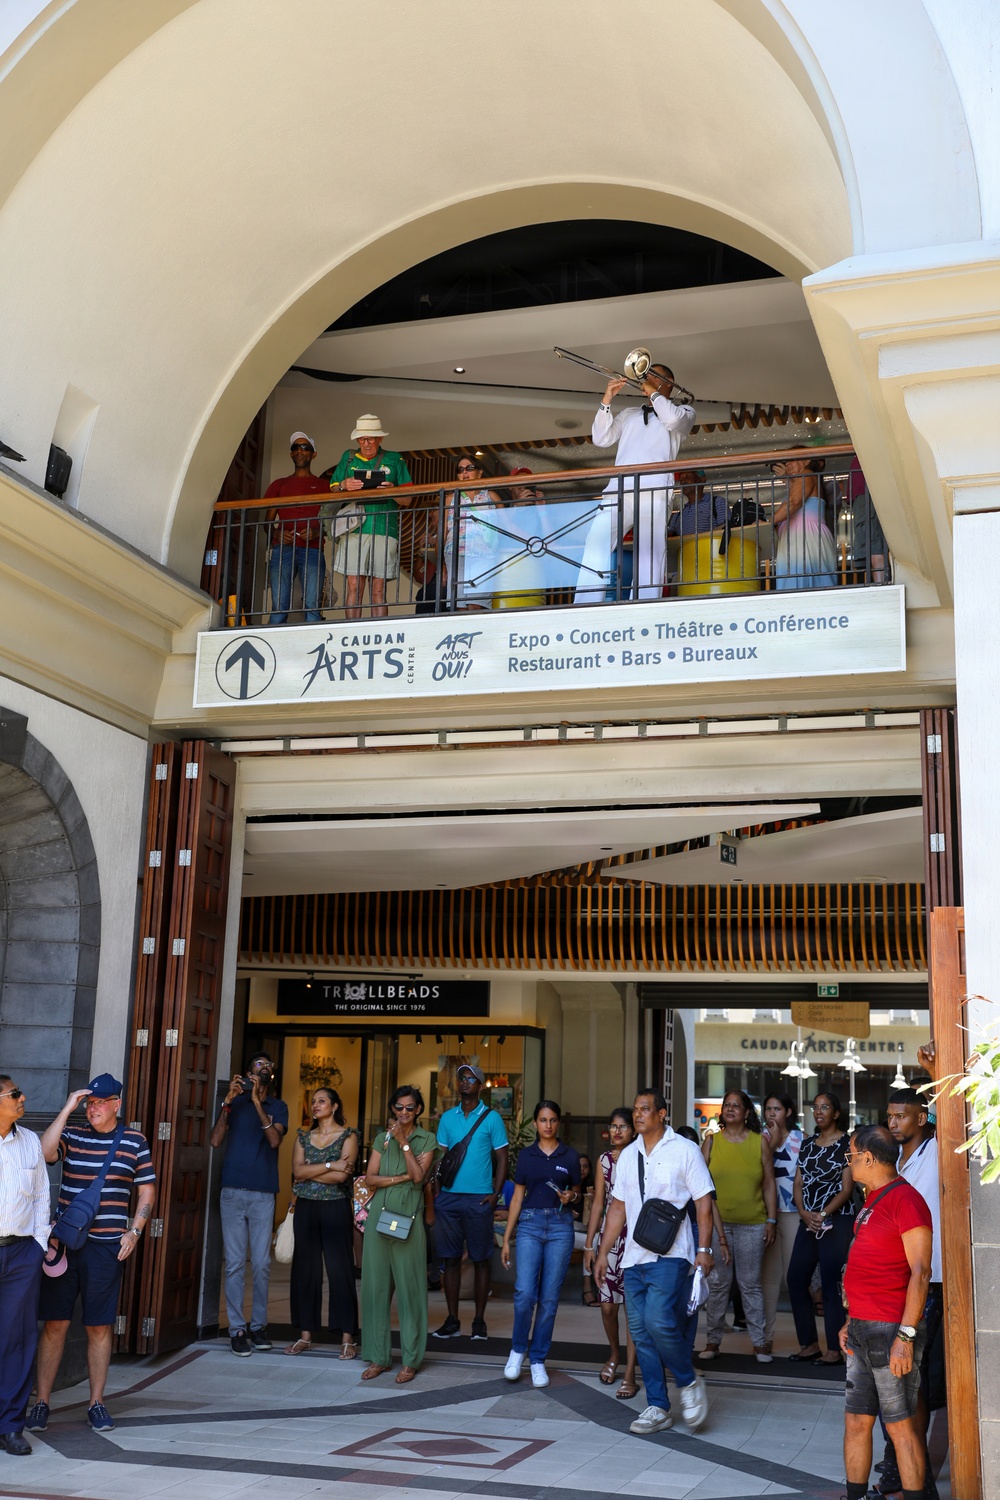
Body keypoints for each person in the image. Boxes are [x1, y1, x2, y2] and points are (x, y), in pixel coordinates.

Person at [30, 1075, 155, 1435]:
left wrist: (135, 1231)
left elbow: (147, 1191)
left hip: (106, 1247)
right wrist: (67, 1108)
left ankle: (96, 1402)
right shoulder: (73, 1134)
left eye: (102, 1102)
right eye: (90, 1102)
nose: (94, 1108)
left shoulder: (134, 1141)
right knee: (55, 1324)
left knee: (99, 1326)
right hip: (64, 1246)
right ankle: (42, 1402)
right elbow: (45, 1153)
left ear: (117, 1104)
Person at [594, 1089, 713, 1437]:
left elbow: (703, 1202)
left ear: (662, 1114)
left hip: (671, 1255)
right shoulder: (628, 1156)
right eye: (635, 1109)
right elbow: (618, 1207)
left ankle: (688, 1382)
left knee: (658, 1321)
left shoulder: (685, 1150)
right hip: (633, 1257)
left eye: (645, 1109)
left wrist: (704, 1249)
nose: (637, 1115)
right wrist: (603, 1252)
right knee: (641, 1333)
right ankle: (658, 1406)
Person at [840, 1125, 933, 1500]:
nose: (848, 1163)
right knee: (856, 1421)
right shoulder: (872, 1199)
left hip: (892, 1329)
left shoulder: (906, 1200)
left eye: (850, 1155)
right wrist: (849, 1320)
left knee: (900, 1427)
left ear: (867, 1157)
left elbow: (921, 1272)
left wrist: (906, 1338)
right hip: (862, 1327)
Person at [575, 363, 695, 604]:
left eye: (652, 375)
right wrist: (607, 400)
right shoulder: (629, 413)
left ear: (667, 383)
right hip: (619, 489)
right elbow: (601, 438)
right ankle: (586, 603)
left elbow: (672, 420)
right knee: (596, 540)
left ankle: (644, 603)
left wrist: (654, 394)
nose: (645, 377)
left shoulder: (684, 411)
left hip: (655, 489)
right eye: (646, 375)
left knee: (649, 548)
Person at [886, 1084, 945, 1499]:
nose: (893, 1123)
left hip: (930, 1277)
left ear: (921, 1118)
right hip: (895, 1278)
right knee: (897, 1377)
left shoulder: (936, 1151)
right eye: (890, 1116)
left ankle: (912, 1468)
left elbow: (955, 1119)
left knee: (915, 1376)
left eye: (901, 1116)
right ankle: (900, 1462)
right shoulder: (890, 1159)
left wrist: (933, 1075)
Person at [209, 1052, 288, 1356]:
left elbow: (274, 1141)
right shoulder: (235, 1104)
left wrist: (256, 1101)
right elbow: (215, 1140)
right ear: (247, 1072)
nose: (264, 1068)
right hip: (232, 1192)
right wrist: (228, 1102)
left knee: (263, 1264)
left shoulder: (278, 1107)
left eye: (268, 1065)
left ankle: (258, 1326)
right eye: (258, 1065)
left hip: (263, 1193)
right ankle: (237, 1330)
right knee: (234, 1263)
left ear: (272, 1074)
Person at [360, 1085, 438, 1383]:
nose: (403, 1112)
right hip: (379, 1216)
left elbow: (419, 1177)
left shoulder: (426, 1139)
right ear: (392, 1108)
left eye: (409, 1108)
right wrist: (401, 1177)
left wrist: (404, 1142)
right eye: (399, 1107)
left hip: (409, 1217)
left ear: (418, 1110)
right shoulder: (381, 1138)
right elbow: (370, 1178)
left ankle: (410, 1359)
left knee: (410, 1290)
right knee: (375, 1288)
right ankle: (378, 1357)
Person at [501, 1100, 580, 1388]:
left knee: (549, 1298)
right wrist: (507, 1238)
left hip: (560, 1226)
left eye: (553, 1120)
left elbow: (577, 1193)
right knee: (524, 1293)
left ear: (558, 1123)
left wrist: (571, 1196)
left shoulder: (569, 1155)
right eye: (543, 1120)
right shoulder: (526, 1155)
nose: (548, 1125)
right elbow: (517, 1198)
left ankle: (537, 1359)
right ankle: (517, 1350)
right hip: (530, 1224)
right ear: (535, 1123)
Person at [432, 1063, 508, 1341]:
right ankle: (452, 1320)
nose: (465, 1082)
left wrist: (495, 1193)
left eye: (471, 1078)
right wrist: (438, 1192)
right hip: (449, 1199)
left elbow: (503, 1158)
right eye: (462, 1078)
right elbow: (440, 1159)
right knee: (450, 1259)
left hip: (479, 1199)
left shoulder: (492, 1118)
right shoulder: (447, 1118)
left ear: (480, 1086)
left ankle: (479, 1321)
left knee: (481, 1260)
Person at [699, 1091, 777, 1362]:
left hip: (753, 1224)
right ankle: (712, 1341)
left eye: (736, 1105)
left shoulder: (759, 1143)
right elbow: (700, 1186)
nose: (730, 1109)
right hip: (715, 1225)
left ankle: (759, 1343)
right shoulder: (711, 1141)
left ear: (746, 1113)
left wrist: (771, 1219)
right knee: (718, 1283)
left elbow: (769, 1183)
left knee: (750, 1284)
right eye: (727, 1105)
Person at [284, 1087, 359, 1358]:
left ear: (334, 1106)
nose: (315, 1105)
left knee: (341, 1271)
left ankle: (347, 1337)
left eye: (322, 1101)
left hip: (336, 1207)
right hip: (306, 1208)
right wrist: (330, 1165)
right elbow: (297, 1171)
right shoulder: (303, 1137)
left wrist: (311, 1172)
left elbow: (342, 1177)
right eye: (314, 1101)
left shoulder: (349, 1136)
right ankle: (305, 1335)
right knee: (305, 1271)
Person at [786, 1090, 855, 1364]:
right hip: (808, 1220)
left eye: (825, 1107)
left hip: (837, 1220)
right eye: (816, 1107)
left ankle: (834, 1349)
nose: (819, 1111)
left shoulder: (847, 1143)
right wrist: (804, 1213)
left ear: (836, 1113)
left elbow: (847, 1189)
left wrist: (823, 1213)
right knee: (795, 1278)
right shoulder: (807, 1144)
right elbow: (798, 1183)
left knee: (830, 1282)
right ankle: (809, 1344)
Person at [0, 1075, 49, 1457]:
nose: (23, 1098)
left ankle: (11, 1426)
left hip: (21, 1254)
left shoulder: (30, 1141)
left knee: (16, 1341)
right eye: (15, 1094)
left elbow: (41, 1197)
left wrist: (38, 1245)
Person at [322, 414, 412, 619]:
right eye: (362, 439)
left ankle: (378, 632)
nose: (366, 443)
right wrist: (344, 485)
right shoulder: (349, 457)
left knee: (378, 589)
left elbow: (407, 500)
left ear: (380, 439)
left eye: (370, 438)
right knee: (354, 586)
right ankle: (352, 631)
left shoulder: (394, 459)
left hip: (384, 529)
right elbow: (333, 492)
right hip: (354, 528)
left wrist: (392, 491)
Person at [583, 1106, 641, 1399]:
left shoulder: (643, 1156)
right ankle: (615, 1353)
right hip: (610, 1239)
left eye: (623, 1127)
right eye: (613, 1126)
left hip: (637, 1238)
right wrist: (589, 1244)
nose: (617, 1131)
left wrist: (629, 1161)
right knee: (607, 1306)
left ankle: (630, 1373)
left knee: (633, 1309)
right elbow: (598, 1203)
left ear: (634, 1130)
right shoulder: (604, 1160)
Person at [262, 431, 329, 624]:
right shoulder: (279, 484)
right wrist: (277, 533)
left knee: (312, 606)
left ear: (313, 454)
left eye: (305, 447)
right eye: (296, 447)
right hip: (283, 549)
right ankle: (272, 641)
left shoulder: (323, 486)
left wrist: (317, 532)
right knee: (279, 606)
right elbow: (267, 522)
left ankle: (312, 641)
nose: (300, 450)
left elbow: (333, 523)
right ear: (291, 454)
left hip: (313, 549)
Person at [761, 1094, 803, 1352]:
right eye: (768, 1109)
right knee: (768, 1279)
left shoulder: (802, 1139)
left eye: (776, 1109)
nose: (771, 1113)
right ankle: (765, 1338)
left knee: (794, 1277)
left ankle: (806, 1341)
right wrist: (773, 1142)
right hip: (766, 1215)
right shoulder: (760, 1139)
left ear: (788, 1112)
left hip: (793, 1213)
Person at [769, 453, 837, 590]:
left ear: (807, 460)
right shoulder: (809, 480)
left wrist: (767, 522)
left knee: (796, 590)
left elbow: (793, 502)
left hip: (805, 539)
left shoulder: (807, 474)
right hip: (802, 540)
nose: (787, 464)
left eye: (792, 459)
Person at [443, 456, 504, 609]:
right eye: (460, 469)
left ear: (480, 472)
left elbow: (506, 525)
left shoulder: (491, 496)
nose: (464, 472)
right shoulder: (450, 499)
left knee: (476, 605)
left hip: (485, 554)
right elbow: (443, 530)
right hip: (455, 553)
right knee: (459, 606)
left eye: (469, 468)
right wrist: (441, 565)